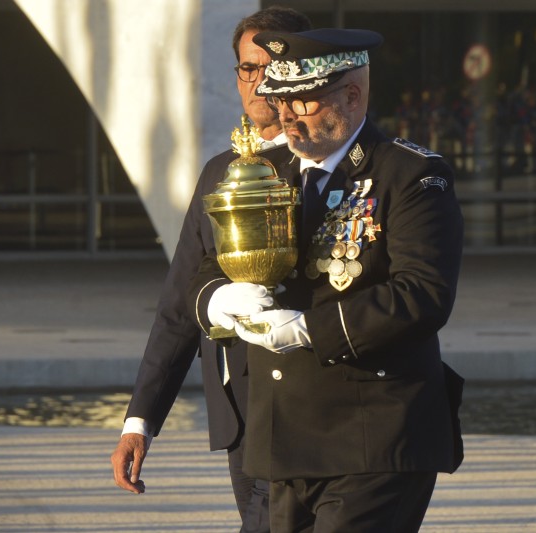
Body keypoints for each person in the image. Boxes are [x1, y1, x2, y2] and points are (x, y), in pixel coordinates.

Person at [188, 28, 465, 532]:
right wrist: (218, 300)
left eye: (304, 103)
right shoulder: (264, 171)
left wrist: (310, 329)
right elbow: (208, 265)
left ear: (352, 96)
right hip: (281, 441)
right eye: (281, 100)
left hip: (372, 437)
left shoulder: (410, 176)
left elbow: (422, 294)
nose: (287, 117)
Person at [110, 6, 311, 532]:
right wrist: (140, 422)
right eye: (248, 66)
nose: (260, 79)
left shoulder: (320, 169)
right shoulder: (219, 172)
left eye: (274, 65)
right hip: (237, 414)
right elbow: (180, 303)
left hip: (302, 412)